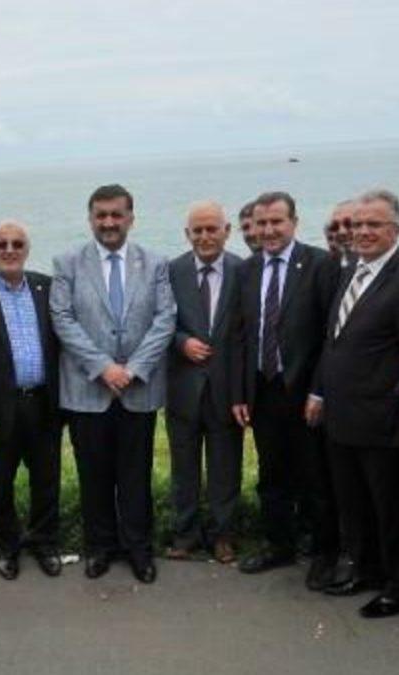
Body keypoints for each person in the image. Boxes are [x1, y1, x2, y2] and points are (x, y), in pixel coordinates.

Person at [314, 189, 399, 619]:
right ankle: (367, 571)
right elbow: (335, 342)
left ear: (396, 230)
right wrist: (320, 393)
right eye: (357, 224)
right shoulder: (351, 272)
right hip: (342, 418)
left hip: (384, 422)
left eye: (374, 224)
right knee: (355, 505)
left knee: (393, 509)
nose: (362, 231)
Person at [50, 184, 176, 584]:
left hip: (138, 390)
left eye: (116, 215)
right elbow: (62, 319)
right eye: (101, 215)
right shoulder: (68, 262)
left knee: (136, 476)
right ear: (90, 219)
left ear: (130, 219)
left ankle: (139, 550)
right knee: (94, 476)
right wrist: (104, 367)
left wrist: (133, 369)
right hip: (88, 390)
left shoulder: (155, 263)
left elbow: (165, 320)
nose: (108, 222)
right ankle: (100, 548)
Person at [231, 192, 339, 589]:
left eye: (276, 222)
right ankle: (279, 544)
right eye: (261, 223)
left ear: (294, 222)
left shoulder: (319, 264)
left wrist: (320, 391)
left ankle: (325, 552)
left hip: (305, 391)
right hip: (264, 388)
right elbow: (240, 335)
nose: (268, 230)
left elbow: (330, 336)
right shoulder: (246, 270)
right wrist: (240, 393)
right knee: (272, 474)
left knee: (315, 477)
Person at [0, 220, 63, 580]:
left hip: (43, 402)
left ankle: (45, 543)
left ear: (27, 249)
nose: (10, 250)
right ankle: (7, 547)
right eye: (2, 244)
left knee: (46, 478)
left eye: (17, 244)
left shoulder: (46, 287)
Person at [163, 202, 244, 564]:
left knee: (226, 468)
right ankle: (185, 535)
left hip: (226, 389)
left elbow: (248, 332)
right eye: (198, 230)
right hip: (183, 387)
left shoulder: (243, 270)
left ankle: (223, 535)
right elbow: (158, 322)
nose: (205, 236)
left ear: (227, 231)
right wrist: (181, 342)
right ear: (187, 234)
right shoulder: (171, 271)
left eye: (212, 229)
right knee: (183, 469)